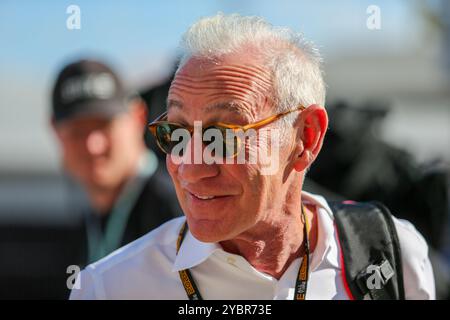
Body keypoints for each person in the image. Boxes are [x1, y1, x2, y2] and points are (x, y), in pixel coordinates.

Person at [70, 15, 435, 299]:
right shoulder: (108, 288)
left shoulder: (393, 252)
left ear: (306, 136)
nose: (191, 168)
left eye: (222, 136)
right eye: (176, 135)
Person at [51, 59, 181, 265]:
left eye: (104, 125)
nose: (93, 145)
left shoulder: (177, 210)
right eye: (77, 131)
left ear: (138, 117)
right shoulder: (84, 223)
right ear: (55, 132)